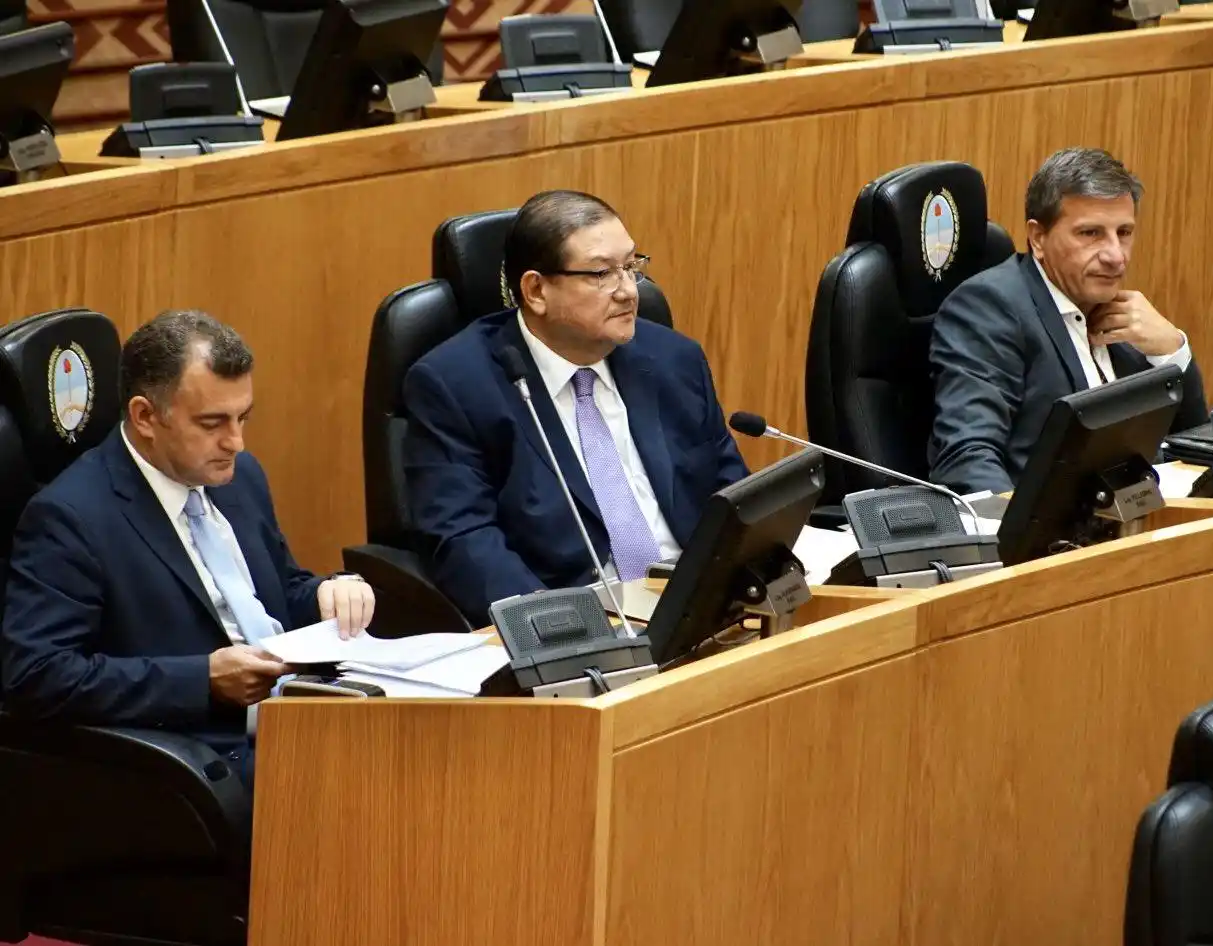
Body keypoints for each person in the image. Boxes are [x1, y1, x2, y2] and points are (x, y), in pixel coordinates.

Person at [0, 310, 374, 792]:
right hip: (201, 762)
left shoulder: (238, 476)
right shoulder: (69, 518)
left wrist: (328, 594)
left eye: (243, 418)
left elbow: (277, 592)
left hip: (301, 715)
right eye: (213, 422)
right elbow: (38, 675)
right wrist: (202, 680)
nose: (236, 442)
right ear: (145, 416)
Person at [403, 190, 749, 627]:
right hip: (577, 619)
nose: (628, 291)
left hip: (700, 607)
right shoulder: (456, 385)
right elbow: (465, 541)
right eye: (602, 273)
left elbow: (730, 491)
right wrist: (564, 629)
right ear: (535, 290)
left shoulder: (672, 359)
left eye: (631, 266)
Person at [928, 147, 1208, 495]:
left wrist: (1172, 352)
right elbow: (967, 458)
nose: (1115, 256)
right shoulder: (990, 308)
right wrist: (1019, 541)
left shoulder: (1128, 318)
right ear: (1038, 238)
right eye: (1090, 233)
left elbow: (1196, 448)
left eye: (1124, 232)